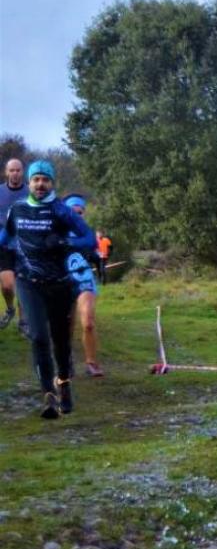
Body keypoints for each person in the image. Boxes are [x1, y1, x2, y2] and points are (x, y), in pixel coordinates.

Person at [0, 160, 93, 418]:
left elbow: (89, 239)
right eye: (36, 180)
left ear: (52, 183)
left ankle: (63, 382)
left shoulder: (61, 211)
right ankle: (48, 396)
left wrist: (64, 242)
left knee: (60, 340)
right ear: (29, 183)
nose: (40, 184)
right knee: (39, 337)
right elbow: (5, 237)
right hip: (28, 282)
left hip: (59, 283)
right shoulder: (17, 209)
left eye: (45, 180)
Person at [63, 194, 105, 377]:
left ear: (83, 213)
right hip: (63, 280)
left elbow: (93, 252)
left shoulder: (87, 232)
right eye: (72, 211)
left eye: (79, 212)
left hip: (84, 279)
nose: (76, 215)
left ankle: (91, 362)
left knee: (88, 322)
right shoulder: (57, 230)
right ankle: (65, 360)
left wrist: (98, 261)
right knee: (66, 323)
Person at [1, 157, 27, 330]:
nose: (15, 173)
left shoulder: (30, 192)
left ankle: (23, 321)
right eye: (12, 170)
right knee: (7, 285)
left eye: (18, 170)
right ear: (6, 172)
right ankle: (10, 308)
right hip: (4, 244)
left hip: (26, 244)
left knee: (24, 284)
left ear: (22, 172)